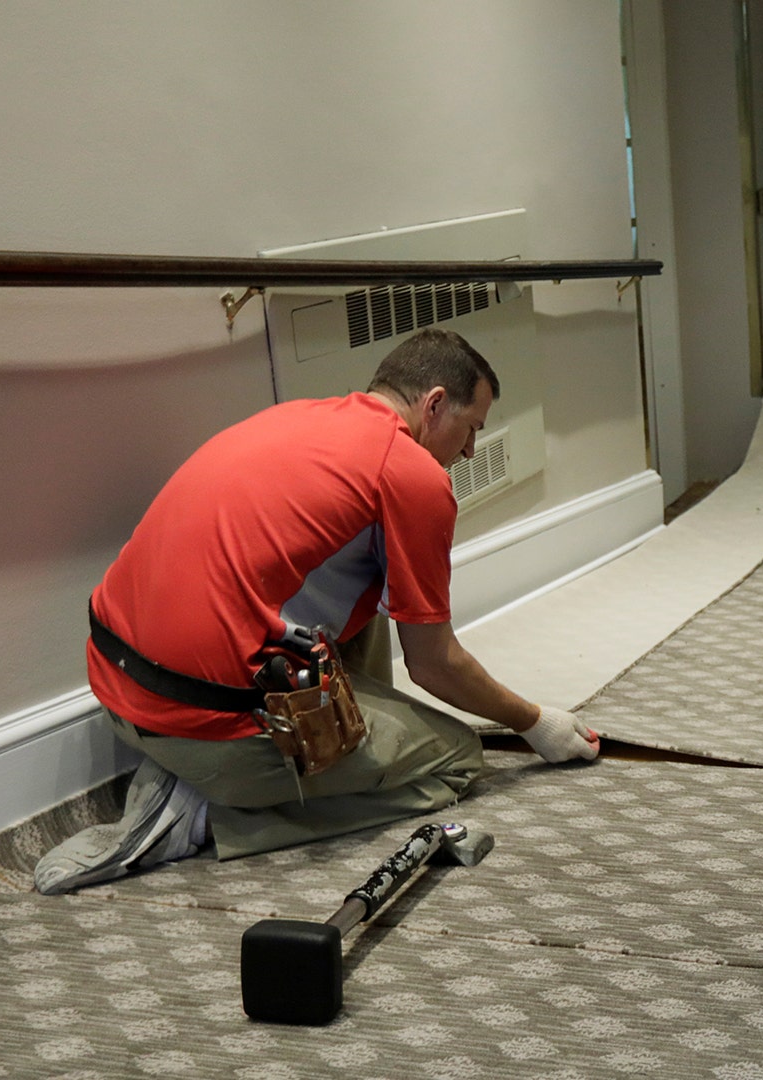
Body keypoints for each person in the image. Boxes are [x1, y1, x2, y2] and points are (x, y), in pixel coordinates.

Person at [36, 328, 601, 895]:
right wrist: (534, 722)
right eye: (471, 428)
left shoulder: (300, 417)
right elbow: (434, 663)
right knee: (458, 758)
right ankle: (207, 816)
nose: (470, 451)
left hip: (115, 686)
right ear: (433, 405)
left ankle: (315, 749)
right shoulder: (413, 475)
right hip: (203, 728)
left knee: (370, 576)